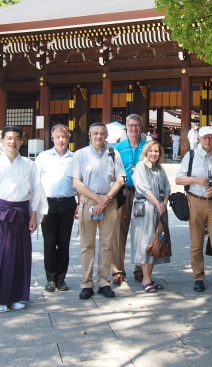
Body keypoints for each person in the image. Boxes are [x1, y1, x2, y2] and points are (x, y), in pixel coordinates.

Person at [0, 125, 47, 312]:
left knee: (20, 256)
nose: (12, 142)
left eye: (16, 138)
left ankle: (17, 295)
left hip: (23, 214)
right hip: (1, 214)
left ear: (22, 141)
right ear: (2, 140)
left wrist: (34, 216)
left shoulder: (29, 164)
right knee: (0, 256)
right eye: (9, 138)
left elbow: (36, 192)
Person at [69, 122, 125, 300]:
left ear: (106, 136)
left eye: (102, 133)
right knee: (87, 245)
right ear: (89, 135)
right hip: (88, 202)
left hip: (109, 202)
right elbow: (76, 182)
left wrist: (106, 198)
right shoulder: (80, 154)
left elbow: (120, 179)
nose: (99, 136)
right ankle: (86, 283)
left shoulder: (113, 153)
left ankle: (104, 281)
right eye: (95, 133)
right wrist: (96, 198)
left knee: (107, 244)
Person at [175, 126, 212, 294]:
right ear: (198, 139)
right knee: (196, 244)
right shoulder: (191, 155)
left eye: (210, 137)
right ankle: (198, 278)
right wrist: (195, 179)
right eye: (204, 137)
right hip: (195, 201)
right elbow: (178, 179)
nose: (207, 140)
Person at [34, 124, 78, 293]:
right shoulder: (43, 157)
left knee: (64, 242)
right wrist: (35, 207)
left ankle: (61, 278)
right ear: (52, 138)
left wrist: (79, 205)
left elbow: (78, 182)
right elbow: (35, 182)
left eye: (64, 136)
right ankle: (50, 277)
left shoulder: (74, 158)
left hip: (68, 202)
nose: (61, 140)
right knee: (50, 242)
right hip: (48, 203)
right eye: (58, 137)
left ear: (68, 138)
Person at [130, 141, 171, 293]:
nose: (154, 154)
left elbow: (167, 187)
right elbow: (143, 188)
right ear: (146, 152)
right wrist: (157, 203)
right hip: (146, 209)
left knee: (156, 241)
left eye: (157, 151)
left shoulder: (160, 169)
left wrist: (164, 202)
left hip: (160, 210)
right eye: (151, 151)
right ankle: (145, 279)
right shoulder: (141, 166)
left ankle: (149, 277)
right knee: (145, 241)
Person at [112, 114, 146, 285]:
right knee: (119, 231)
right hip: (124, 192)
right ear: (126, 127)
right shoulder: (118, 148)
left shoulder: (148, 146)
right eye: (131, 125)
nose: (134, 129)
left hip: (142, 193)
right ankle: (118, 270)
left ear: (142, 127)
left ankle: (140, 269)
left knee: (141, 231)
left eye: (137, 125)